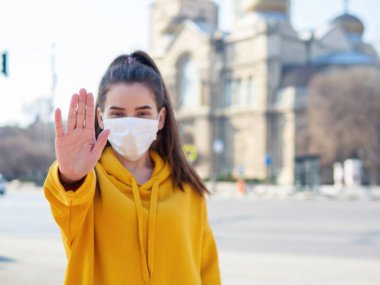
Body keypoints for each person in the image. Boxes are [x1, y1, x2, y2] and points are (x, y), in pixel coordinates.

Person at [44, 51, 221, 285]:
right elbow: (66, 202)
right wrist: (71, 177)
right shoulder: (85, 184)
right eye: (117, 113)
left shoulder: (188, 188)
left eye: (142, 113)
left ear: (160, 118)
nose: (130, 122)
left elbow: (207, 272)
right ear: (101, 117)